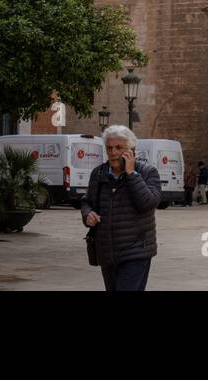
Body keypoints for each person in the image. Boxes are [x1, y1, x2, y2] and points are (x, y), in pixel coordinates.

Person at [82, 124, 162, 291]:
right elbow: (87, 202)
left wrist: (132, 174)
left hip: (136, 252)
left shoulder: (147, 172)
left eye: (119, 147)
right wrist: (88, 214)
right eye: (109, 148)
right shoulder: (98, 174)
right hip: (107, 252)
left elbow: (148, 203)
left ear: (131, 149)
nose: (113, 153)